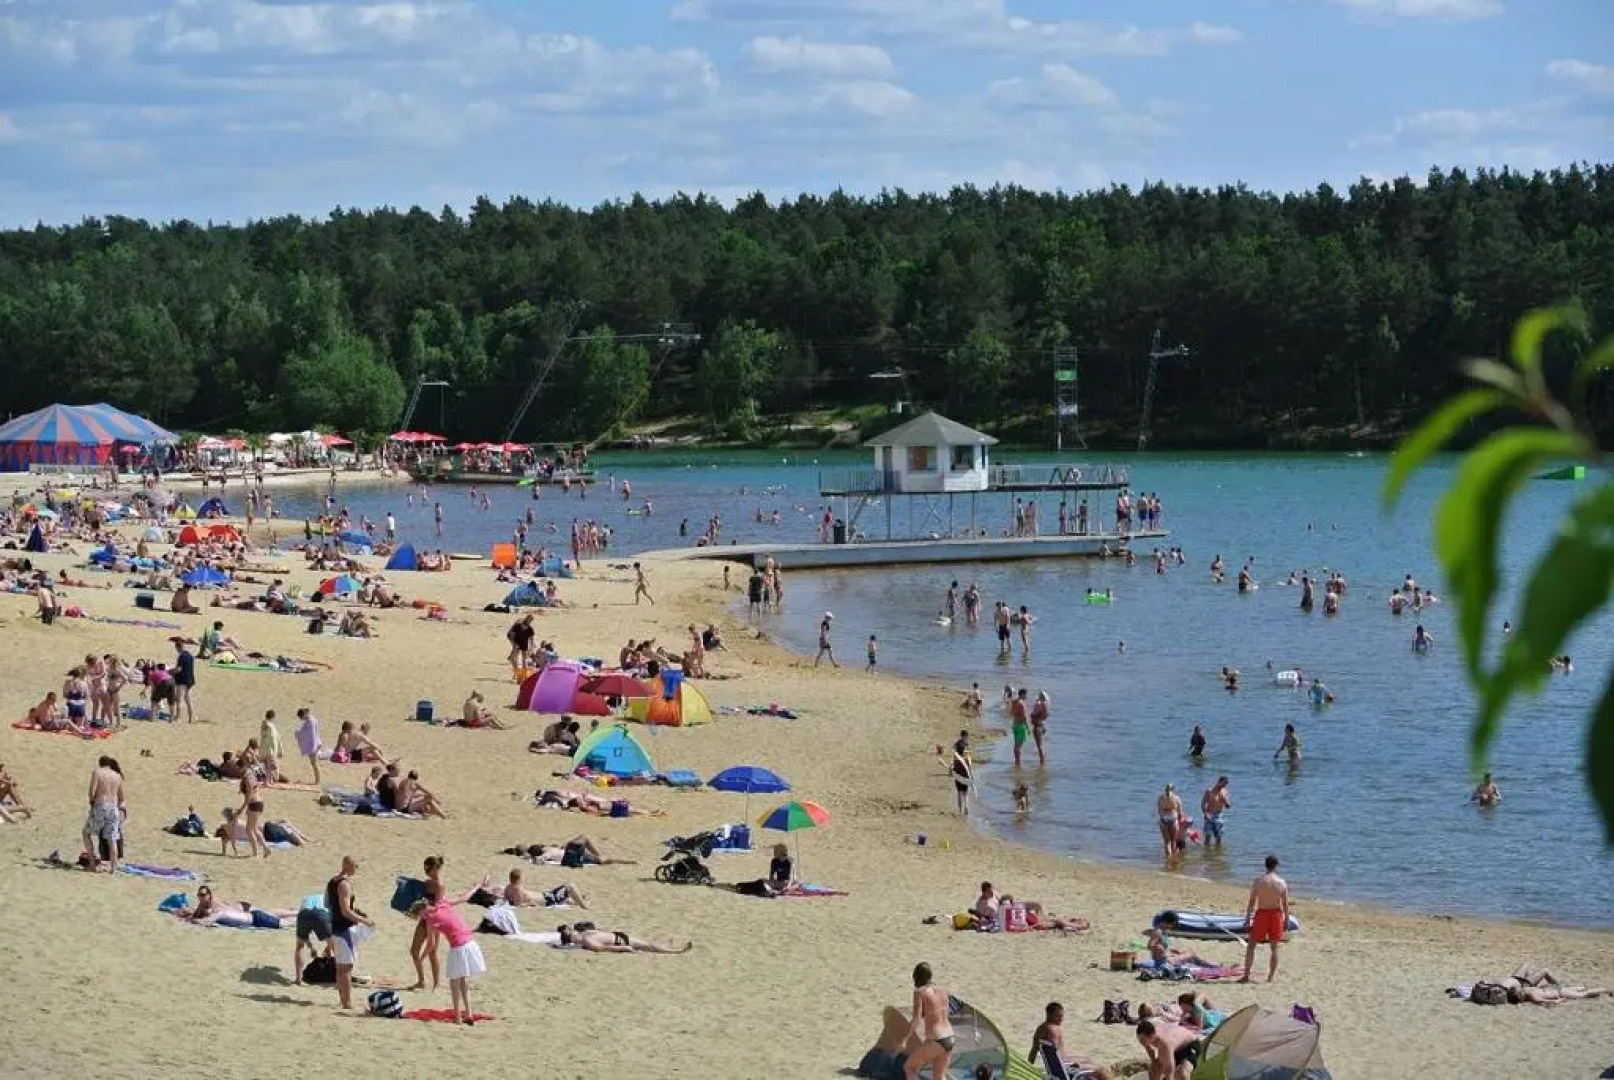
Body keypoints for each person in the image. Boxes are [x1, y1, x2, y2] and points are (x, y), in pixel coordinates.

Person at [410, 882, 487, 1025]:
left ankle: (457, 1017)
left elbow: (431, 944)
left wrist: (421, 958)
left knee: (454, 981)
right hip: (470, 942)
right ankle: (468, 1013)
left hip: (458, 947)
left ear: (422, 911)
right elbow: (464, 897)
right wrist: (478, 885)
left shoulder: (430, 920)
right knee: (462, 980)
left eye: (420, 915)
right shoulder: (442, 903)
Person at [327, 855, 374, 1010]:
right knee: (346, 968)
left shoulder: (332, 881)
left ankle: (343, 1000)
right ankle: (346, 1002)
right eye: (356, 866)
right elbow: (345, 911)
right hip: (344, 929)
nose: (356, 869)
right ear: (349, 866)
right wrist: (364, 920)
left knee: (340, 967)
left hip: (335, 928)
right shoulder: (344, 884)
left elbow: (328, 904)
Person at [1030, 1002, 1115, 1080]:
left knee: (1089, 1061)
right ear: (1049, 1015)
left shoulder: (1043, 1028)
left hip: (1061, 1066)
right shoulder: (1051, 1029)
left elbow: (1035, 1049)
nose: (1061, 1019)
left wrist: (1029, 1066)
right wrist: (1072, 1064)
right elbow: (1042, 1051)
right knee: (1101, 1071)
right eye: (1058, 1016)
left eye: (1062, 1016)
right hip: (1064, 1068)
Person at [1240, 854, 1290, 983]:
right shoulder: (1281, 882)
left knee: (1251, 945)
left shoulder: (1259, 881)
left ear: (1265, 865)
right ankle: (1270, 977)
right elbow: (1285, 904)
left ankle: (1246, 975)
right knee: (1274, 947)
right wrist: (1287, 919)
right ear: (1276, 866)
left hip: (1262, 913)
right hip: (1276, 914)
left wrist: (1247, 919)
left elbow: (1252, 902)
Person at [902, 962, 955, 1080]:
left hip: (937, 1039)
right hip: (950, 1037)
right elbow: (945, 1013)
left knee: (910, 1067)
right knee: (939, 1076)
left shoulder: (919, 992)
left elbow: (916, 1019)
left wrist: (905, 1039)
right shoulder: (943, 991)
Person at [83, 756, 124, 874]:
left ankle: (92, 863)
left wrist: (92, 804)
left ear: (100, 763)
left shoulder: (98, 772)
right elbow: (121, 797)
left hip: (101, 805)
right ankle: (113, 868)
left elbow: (92, 792)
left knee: (86, 833)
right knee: (112, 839)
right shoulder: (117, 776)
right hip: (114, 808)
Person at [1136, 1019, 1200, 1080]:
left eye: (1142, 1040)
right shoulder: (1150, 1034)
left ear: (1151, 1036)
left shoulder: (1164, 1043)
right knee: (1154, 1070)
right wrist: (1154, 1062)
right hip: (1176, 1047)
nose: (1141, 1042)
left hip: (1190, 1045)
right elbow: (1150, 1050)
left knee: (1182, 1072)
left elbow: (1169, 1071)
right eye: (1139, 1039)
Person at [557, 925, 692, 953]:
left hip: (619, 936)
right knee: (649, 946)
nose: (573, 931)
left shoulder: (584, 934)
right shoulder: (586, 941)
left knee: (648, 944)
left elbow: (599, 932)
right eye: (571, 933)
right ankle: (676, 951)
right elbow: (602, 948)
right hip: (621, 941)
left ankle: (665, 946)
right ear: (572, 939)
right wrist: (623, 948)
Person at [293, 893, 334, 984]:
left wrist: (311, 948)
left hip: (304, 914)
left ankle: (298, 978)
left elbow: (305, 937)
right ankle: (340, 976)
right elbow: (333, 930)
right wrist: (329, 947)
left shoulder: (306, 899)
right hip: (321, 914)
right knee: (336, 946)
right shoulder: (330, 900)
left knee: (299, 946)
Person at [504, 868, 586, 909]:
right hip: (549, 899)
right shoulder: (518, 889)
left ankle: (579, 899)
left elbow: (507, 900)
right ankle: (584, 906)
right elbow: (518, 905)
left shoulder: (508, 887)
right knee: (570, 886)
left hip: (547, 896)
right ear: (518, 879)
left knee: (567, 898)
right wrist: (530, 903)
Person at [1200, 777, 1231, 847]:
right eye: (1223, 784)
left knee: (1219, 837)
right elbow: (1203, 803)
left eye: (1225, 785)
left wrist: (1224, 799)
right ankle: (1207, 852)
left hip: (1219, 816)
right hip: (1209, 814)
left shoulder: (1224, 792)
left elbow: (1228, 806)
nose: (1224, 786)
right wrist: (1205, 814)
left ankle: (1218, 853)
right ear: (1219, 782)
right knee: (1208, 836)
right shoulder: (1209, 791)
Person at [1156, 784, 1184, 861]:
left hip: (1164, 819)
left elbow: (1159, 812)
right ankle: (1173, 860)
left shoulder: (1160, 798)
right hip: (1173, 819)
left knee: (1167, 842)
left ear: (1165, 789)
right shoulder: (1177, 798)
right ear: (1173, 789)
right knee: (1173, 841)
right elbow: (1181, 813)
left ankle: (1168, 860)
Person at [172, 637, 197, 723]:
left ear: (178, 647)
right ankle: (191, 718)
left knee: (179, 700)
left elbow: (179, 669)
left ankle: (178, 718)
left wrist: (172, 672)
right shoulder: (190, 655)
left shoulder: (181, 656)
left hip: (182, 680)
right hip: (190, 680)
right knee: (188, 700)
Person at [295, 708, 322, 785]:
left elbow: (310, 735)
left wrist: (298, 734)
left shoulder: (310, 722)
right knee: (314, 763)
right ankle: (317, 780)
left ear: (303, 715)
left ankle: (317, 781)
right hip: (316, 743)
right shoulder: (311, 719)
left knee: (314, 763)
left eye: (301, 717)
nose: (301, 719)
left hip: (313, 744)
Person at [1010, 689, 1030, 768]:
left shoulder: (1014, 702)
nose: (1026, 696)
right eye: (1026, 695)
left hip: (1015, 725)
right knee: (1019, 747)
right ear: (1022, 694)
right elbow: (1024, 717)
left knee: (1016, 746)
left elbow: (1011, 713)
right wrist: (1028, 727)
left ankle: (1017, 761)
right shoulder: (1022, 704)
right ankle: (1018, 763)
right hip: (1021, 726)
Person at [1029, 691, 1050, 766]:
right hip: (1041, 725)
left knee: (1039, 746)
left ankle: (1042, 763)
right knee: (1041, 745)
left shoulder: (1041, 705)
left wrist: (1032, 713)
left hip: (1038, 726)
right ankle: (1043, 762)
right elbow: (1044, 716)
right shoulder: (1046, 705)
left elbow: (1034, 714)